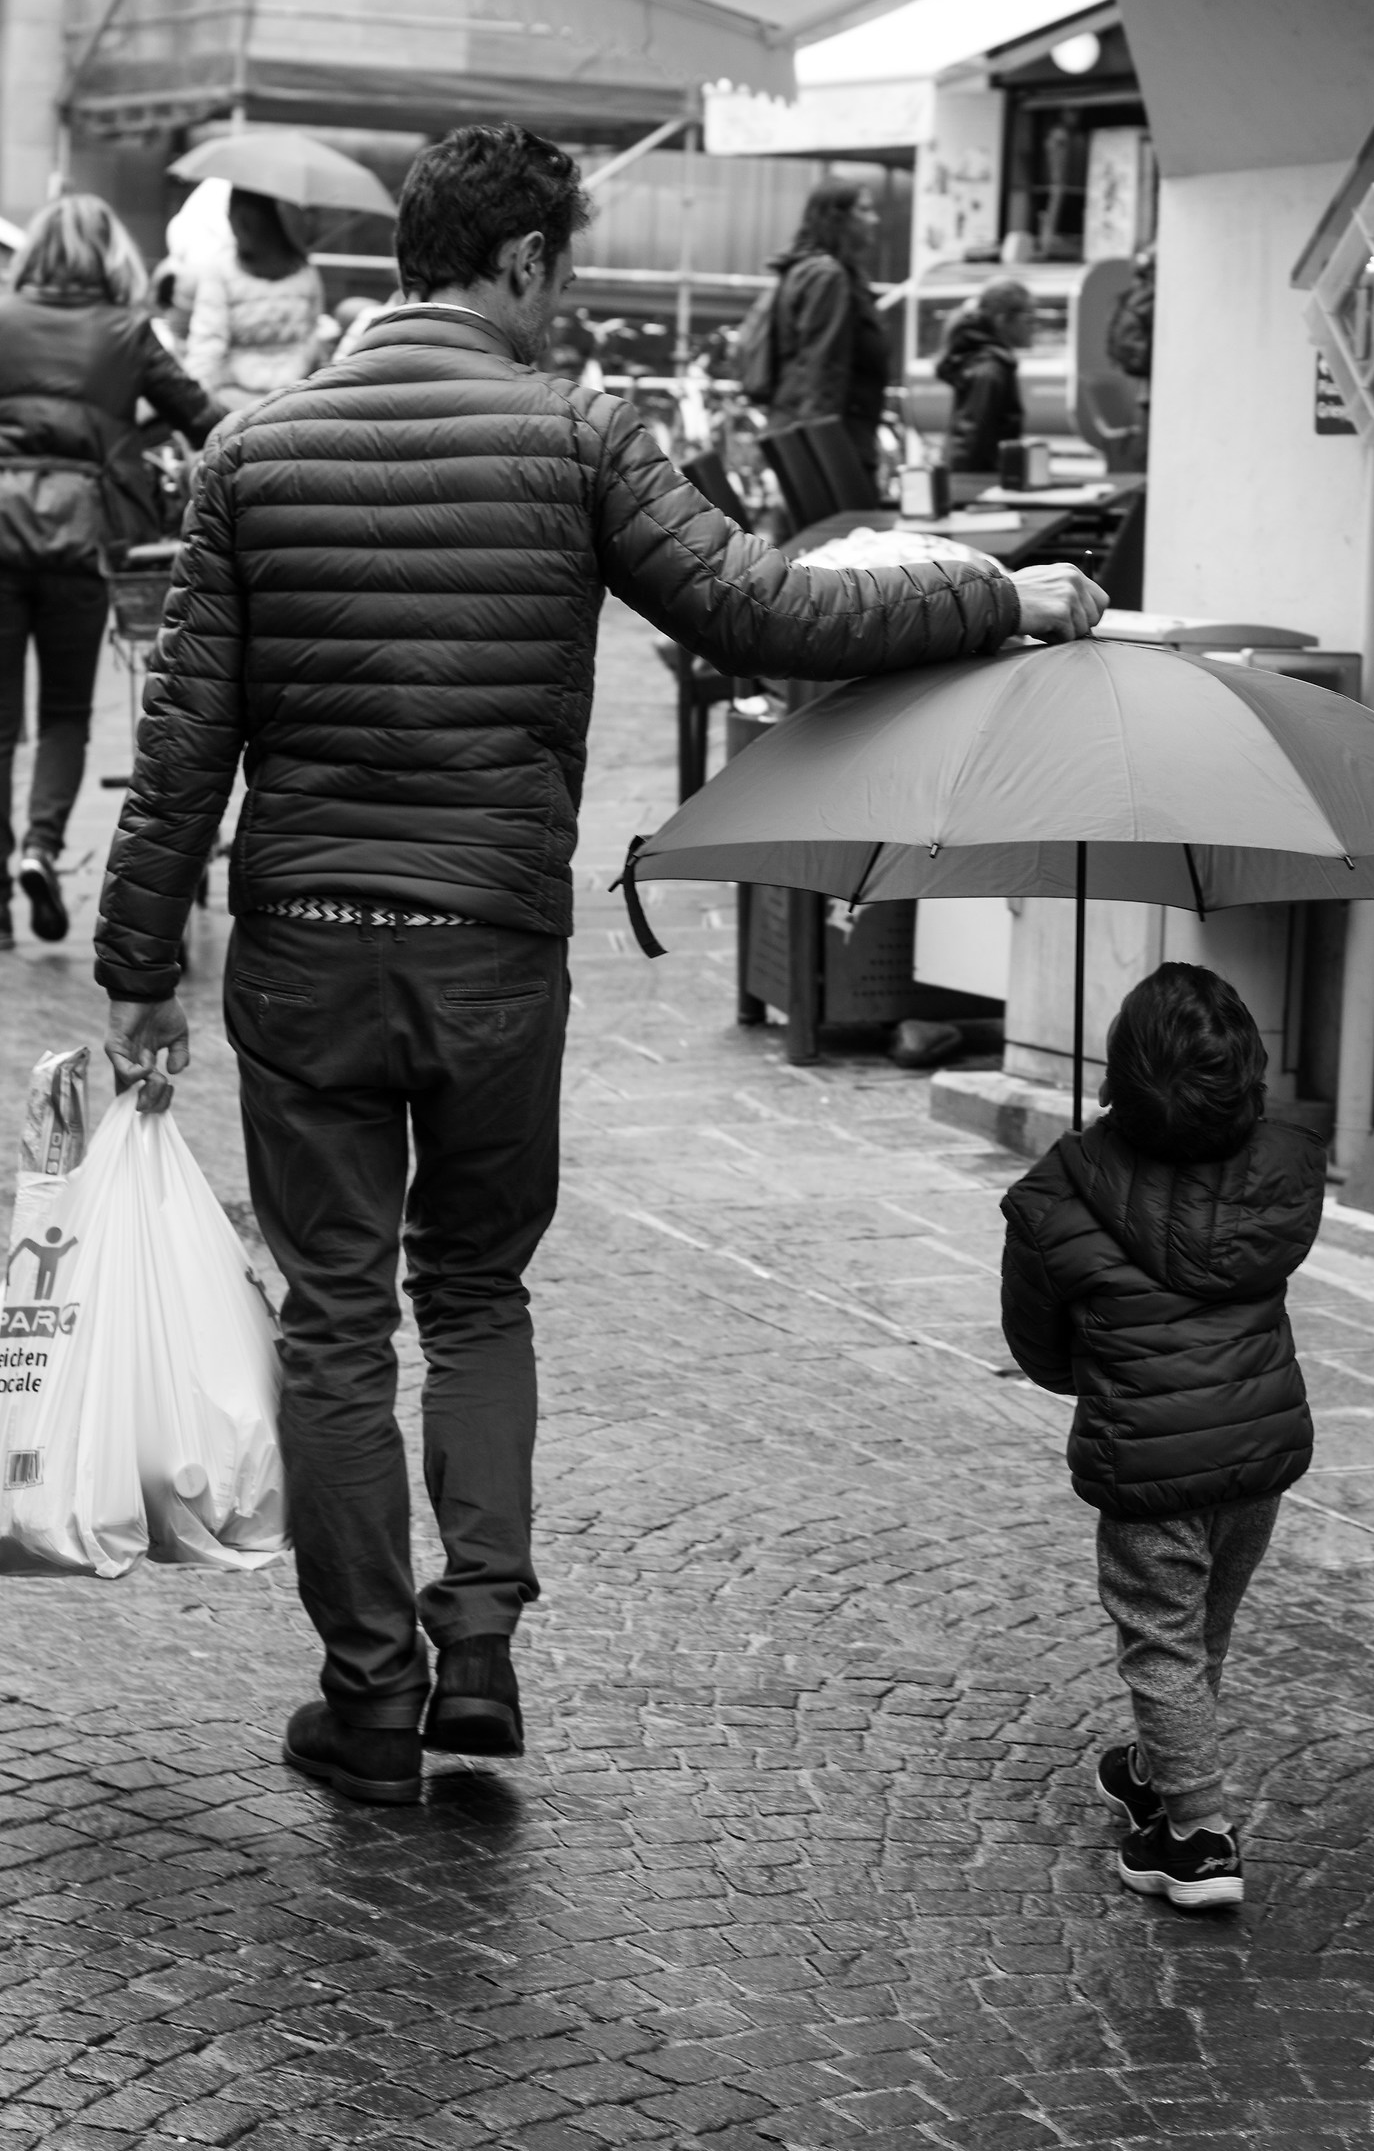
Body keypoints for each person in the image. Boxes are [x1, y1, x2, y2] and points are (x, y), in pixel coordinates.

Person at [94, 121, 1108, 1807]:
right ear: (522, 267)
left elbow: (188, 736)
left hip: (307, 955)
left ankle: (366, 1697)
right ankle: (476, 1647)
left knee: (335, 1318)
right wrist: (1005, 597)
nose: (562, 305)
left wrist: (142, 969)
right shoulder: (579, 435)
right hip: (487, 951)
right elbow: (768, 611)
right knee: (476, 1291)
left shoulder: (260, 455)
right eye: (559, 272)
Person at [999, 963, 1325, 1909]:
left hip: (1148, 1462)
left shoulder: (1063, 1190)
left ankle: (1196, 1838)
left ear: (1119, 1074)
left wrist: (1101, 1378)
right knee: (1201, 1626)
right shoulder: (1282, 1170)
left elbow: (1038, 1343)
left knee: (1163, 1642)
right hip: (1257, 1455)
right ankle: (1154, 1768)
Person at [0, 194, 222, 949]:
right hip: (81, 541)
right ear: (108, 254)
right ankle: (41, 847)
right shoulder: (127, 333)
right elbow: (206, 421)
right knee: (65, 712)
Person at [766, 179, 889, 474]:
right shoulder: (828, 277)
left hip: (808, 434)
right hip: (832, 444)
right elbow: (822, 368)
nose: (875, 219)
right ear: (838, 217)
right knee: (842, 522)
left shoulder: (805, 268)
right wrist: (823, 458)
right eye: (865, 210)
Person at [185, 187, 324, 411]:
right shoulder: (305, 270)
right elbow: (313, 341)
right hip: (292, 403)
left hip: (232, 406)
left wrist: (191, 405)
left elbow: (207, 344)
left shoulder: (220, 269)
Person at [936, 278, 1035, 471]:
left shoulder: (993, 363)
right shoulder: (990, 371)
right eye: (1029, 318)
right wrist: (961, 492)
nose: (1034, 326)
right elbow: (970, 439)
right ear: (1001, 320)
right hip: (977, 484)